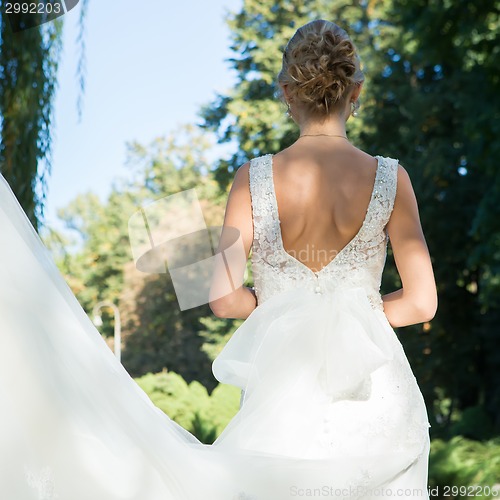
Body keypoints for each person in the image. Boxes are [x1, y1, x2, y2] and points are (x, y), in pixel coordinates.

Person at [0, 19, 437, 500]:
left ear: (287, 92)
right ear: (355, 91)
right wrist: (353, 309)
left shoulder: (252, 178)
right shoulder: (393, 179)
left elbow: (222, 299)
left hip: (282, 390)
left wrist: (283, 302)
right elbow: (421, 303)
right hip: (377, 395)